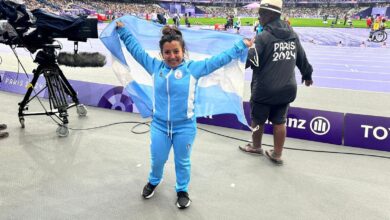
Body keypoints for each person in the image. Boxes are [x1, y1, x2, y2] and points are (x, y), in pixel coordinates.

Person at [116, 21, 252, 208]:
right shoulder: (155, 67)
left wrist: (240, 46)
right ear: (161, 53)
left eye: (176, 52)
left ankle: (182, 189)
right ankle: (154, 181)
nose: (172, 56)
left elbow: (220, 59)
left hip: (185, 127)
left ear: (183, 51)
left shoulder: (193, 69)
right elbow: (136, 50)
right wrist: (123, 31)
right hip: (159, 126)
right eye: (167, 52)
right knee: (158, 159)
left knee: (182, 162)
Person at [239, 0, 313, 165]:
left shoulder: (263, 37)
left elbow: (249, 61)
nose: (259, 17)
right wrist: (307, 75)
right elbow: (301, 58)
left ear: (269, 15)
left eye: (261, 14)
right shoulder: (293, 34)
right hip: (286, 88)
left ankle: (256, 146)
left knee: (257, 120)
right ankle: (277, 154)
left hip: (264, 89)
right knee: (280, 121)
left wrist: (241, 56)